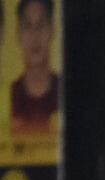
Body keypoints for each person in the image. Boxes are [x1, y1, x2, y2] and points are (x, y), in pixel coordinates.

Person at [10, 0, 59, 137]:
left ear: (52, 30)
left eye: (41, 25)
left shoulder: (65, 92)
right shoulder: (7, 99)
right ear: (18, 34)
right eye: (28, 26)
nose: (35, 35)